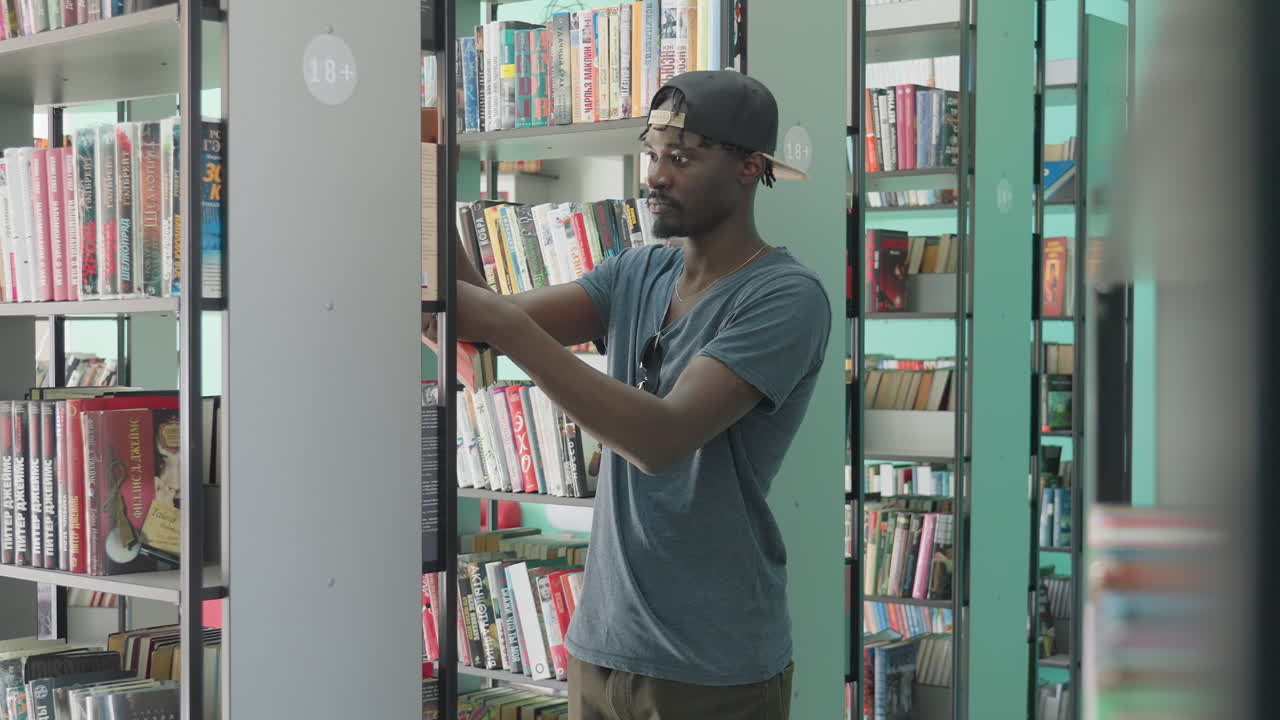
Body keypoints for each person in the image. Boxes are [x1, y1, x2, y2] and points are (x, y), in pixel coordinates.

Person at [428, 70, 831, 719]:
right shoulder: (639, 269)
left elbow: (660, 438)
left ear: (749, 166)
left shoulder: (786, 297)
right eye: (651, 153)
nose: (655, 176)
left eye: (681, 157)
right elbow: (480, 328)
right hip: (601, 650)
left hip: (712, 667)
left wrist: (505, 326)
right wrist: (425, 185)